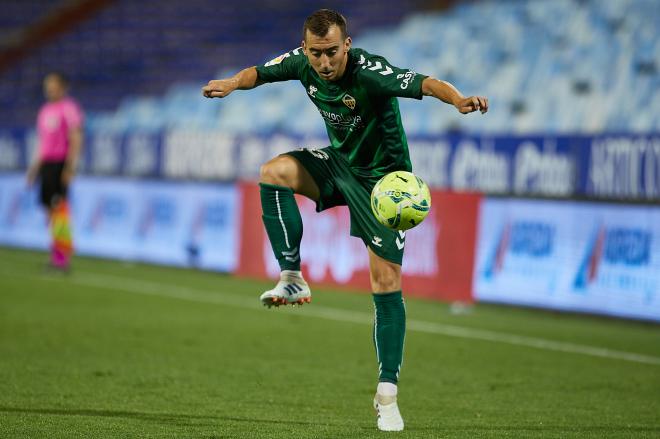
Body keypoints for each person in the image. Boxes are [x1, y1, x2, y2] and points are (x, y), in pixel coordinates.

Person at [202, 9, 487, 432]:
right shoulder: (302, 64)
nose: (324, 62)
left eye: (331, 52)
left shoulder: (370, 72)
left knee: (386, 283)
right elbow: (258, 73)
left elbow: (425, 83)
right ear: (306, 50)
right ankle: (292, 276)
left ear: (347, 46)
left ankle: (387, 395)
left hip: (384, 186)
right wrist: (229, 84)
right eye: (316, 54)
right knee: (273, 172)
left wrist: (458, 99)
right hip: (339, 166)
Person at [26, 72, 84, 272]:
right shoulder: (44, 111)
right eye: (47, 85)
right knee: (49, 210)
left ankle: (61, 257)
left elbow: (76, 138)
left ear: (62, 87)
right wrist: (34, 170)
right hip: (46, 165)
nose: (49, 89)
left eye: (52, 85)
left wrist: (70, 167)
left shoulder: (69, 108)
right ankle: (58, 251)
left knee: (59, 208)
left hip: (60, 163)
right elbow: (42, 143)